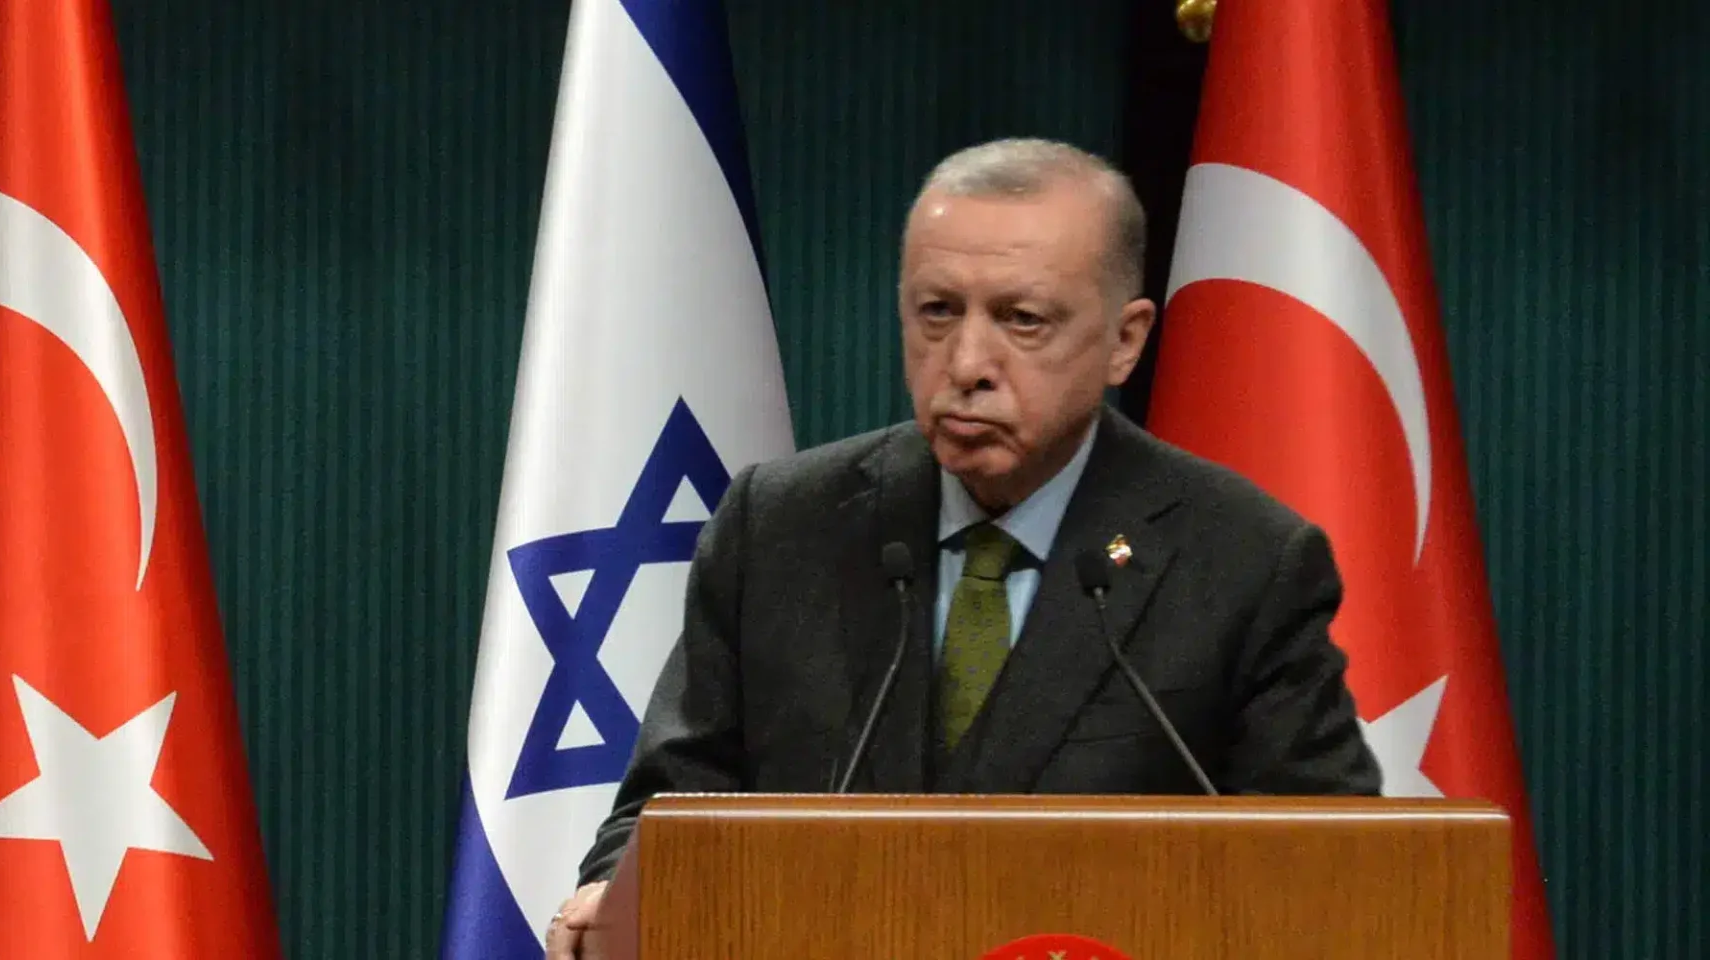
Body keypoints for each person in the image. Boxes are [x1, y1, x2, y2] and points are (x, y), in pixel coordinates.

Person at [542, 137, 1383, 958]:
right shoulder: (782, 524)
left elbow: (1325, 869)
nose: (967, 363)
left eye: (1023, 320)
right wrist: (614, 892)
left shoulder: (1243, 560)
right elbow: (670, 805)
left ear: (1125, 341)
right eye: (937, 312)